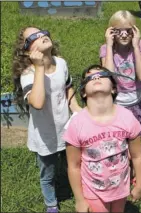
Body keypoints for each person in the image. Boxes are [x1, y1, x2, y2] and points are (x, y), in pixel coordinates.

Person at [12, 26, 81, 213]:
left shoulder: (61, 63)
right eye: (34, 36)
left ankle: (78, 190)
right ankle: (51, 203)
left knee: (73, 164)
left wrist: (76, 108)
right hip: (45, 136)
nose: (41, 36)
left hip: (66, 129)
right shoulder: (29, 74)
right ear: (28, 50)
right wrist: (40, 67)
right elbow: (38, 102)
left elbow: (67, 88)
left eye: (43, 32)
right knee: (47, 173)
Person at [63, 65, 141, 213]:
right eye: (90, 77)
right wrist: (79, 200)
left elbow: (137, 155)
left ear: (113, 88)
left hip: (121, 187)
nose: (96, 77)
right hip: (93, 191)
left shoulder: (127, 117)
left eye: (101, 75)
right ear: (83, 92)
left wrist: (140, 184)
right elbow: (73, 166)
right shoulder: (76, 124)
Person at [100, 10, 141, 192]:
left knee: (135, 144)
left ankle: (138, 179)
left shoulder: (139, 45)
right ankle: (124, 175)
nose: (123, 34)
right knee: (119, 144)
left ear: (135, 31)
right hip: (117, 104)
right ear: (110, 31)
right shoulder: (106, 50)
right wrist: (108, 44)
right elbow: (108, 78)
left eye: (128, 30)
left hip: (136, 103)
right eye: (118, 30)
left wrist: (136, 46)